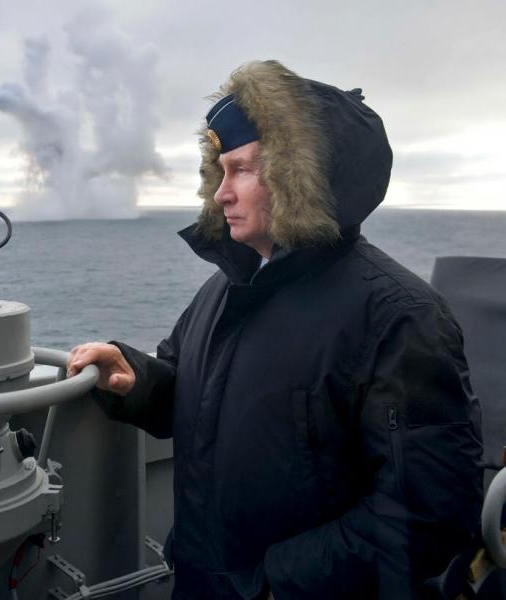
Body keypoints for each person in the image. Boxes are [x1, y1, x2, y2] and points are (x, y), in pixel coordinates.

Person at [67, 61, 483, 599]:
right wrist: (136, 378)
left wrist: (270, 584)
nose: (220, 193)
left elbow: (429, 512)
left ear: (300, 178)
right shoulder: (228, 287)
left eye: (242, 170)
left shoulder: (397, 315)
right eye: (219, 171)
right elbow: (190, 388)